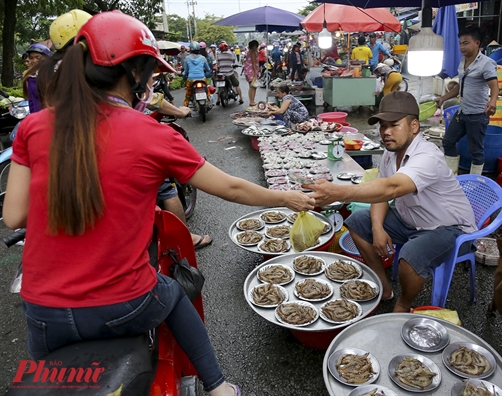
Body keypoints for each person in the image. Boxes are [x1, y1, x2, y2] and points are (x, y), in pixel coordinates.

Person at [3, 11, 314, 396]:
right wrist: (288, 198)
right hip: (123, 304)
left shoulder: (31, 127)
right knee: (170, 292)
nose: (152, 80)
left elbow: (14, 214)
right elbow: (231, 189)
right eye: (150, 72)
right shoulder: (152, 133)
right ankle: (217, 387)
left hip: (43, 312)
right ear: (131, 73)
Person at [303, 92, 477, 313]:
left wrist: (338, 192)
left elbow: (392, 187)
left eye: (394, 125)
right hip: (411, 220)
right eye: (383, 126)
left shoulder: (427, 156)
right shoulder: (390, 152)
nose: (386, 132)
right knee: (358, 221)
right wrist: (377, 228)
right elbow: (382, 193)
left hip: (447, 227)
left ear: (414, 126)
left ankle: (404, 303)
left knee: (411, 255)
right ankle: (384, 287)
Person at [434, 28, 498, 176]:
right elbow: (461, 86)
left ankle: (476, 181)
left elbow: (494, 86)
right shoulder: (463, 60)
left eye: (466, 43)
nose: (462, 47)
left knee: (476, 151)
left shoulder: (486, 63)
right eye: (460, 43)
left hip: (478, 114)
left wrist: (493, 102)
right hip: (462, 112)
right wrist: (443, 98)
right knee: (448, 141)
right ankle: (452, 177)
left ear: (477, 43)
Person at [22, 43, 51, 114]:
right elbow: (31, 101)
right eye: (31, 58)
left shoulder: (53, 75)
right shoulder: (29, 77)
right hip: (36, 117)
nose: (34, 61)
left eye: (38, 57)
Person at [183, 41, 211, 107]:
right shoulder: (203, 58)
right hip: (202, 78)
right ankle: (210, 101)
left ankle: (185, 108)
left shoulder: (187, 58)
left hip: (191, 79)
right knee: (207, 91)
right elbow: (208, 69)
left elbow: (186, 71)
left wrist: (184, 76)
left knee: (188, 95)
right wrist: (207, 71)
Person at [244, 40, 259, 106]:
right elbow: (253, 62)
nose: (256, 47)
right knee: (253, 86)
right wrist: (255, 72)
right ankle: (252, 101)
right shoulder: (253, 52)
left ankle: (251, 101)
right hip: (251, 71)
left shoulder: (250, 52)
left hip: (248, 70)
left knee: (251, 86)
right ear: (253, 46)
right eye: (256, 46)